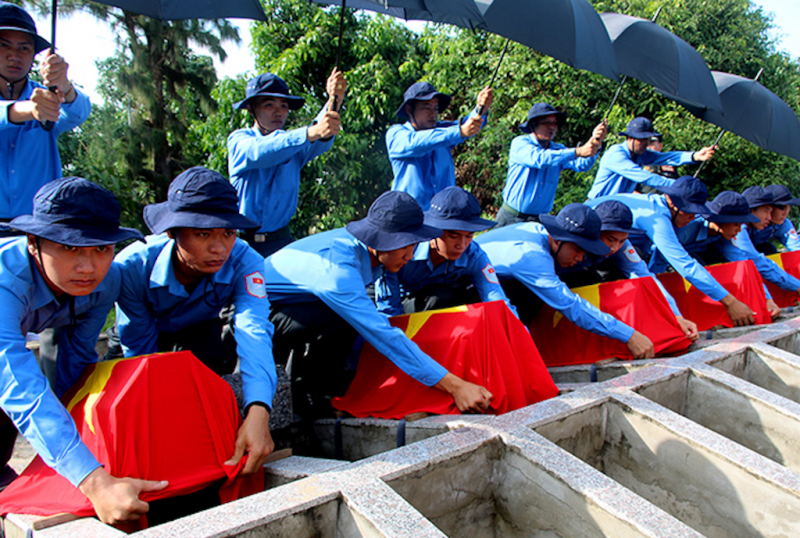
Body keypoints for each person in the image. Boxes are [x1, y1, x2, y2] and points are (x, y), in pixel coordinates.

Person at [0, 177, 168, 524]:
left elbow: (77, 356)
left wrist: (83, 439)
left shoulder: (107, 282)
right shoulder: (5, 281)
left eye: (102, 248)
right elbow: (19, 386)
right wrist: (93, 482)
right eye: (71, 248)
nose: (88, 267)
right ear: (33, 243)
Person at [263, 191, 493, 417]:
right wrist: (456, 386)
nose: (410, 256)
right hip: (261, 313)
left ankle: (317, 392)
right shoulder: (341, 269)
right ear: (380, 240)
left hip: (298, 306)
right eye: (405, 246)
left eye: (413, 246)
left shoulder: (371, 256)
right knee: (350, 318)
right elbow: (381, 333)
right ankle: (307, 390)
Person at [113, 167, 278, 473]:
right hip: (142, 336)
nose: (219, 249)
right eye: (203, 234)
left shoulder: (246, 261)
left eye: (228, 233)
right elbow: (140, 349)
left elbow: (254, 329)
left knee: (207, 372)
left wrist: (259, 409)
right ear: (172, 232)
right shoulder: (133, 267)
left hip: (197, 328)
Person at [475, 203, 656, 358]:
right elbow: (570, 305)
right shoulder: (533, 256)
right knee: (530, 297)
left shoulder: (546, 239)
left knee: (585, 278)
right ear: (556, 239)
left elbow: (644, 274)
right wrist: (628, 335)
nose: (580, 258)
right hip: (468, 287)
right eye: (577, 250)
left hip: (498, 282)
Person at [587, 176, 757, 326]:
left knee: (639, 266)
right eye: (689, 212)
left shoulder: (665, 211)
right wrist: (729, 301)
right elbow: (685, 265)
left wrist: (675, 315)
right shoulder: (657, 218)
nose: (692, 218)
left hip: (627, 246)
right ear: (672, 203)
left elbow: (649, 272)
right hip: (591, 240)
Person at [228, 70, 346, 256]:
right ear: (251, 109)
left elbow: (320, 134)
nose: (278, 112)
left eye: (284, 106)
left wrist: (335, 100)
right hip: (240, 246)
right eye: (269, 105)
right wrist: (311, 132)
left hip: (281, 244)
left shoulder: (297, 144)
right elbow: (261, 151)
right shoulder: (239, 140)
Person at [0, 2, 91, 223]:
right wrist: (29, 109)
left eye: (24, 48)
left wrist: (65, 87)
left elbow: (79, 113)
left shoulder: (48, 94)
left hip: (40, 229)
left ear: (34, 56)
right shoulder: (39, 102)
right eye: (3, 45)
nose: (15, 55)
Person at [557, 200, 699, 341]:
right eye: (610, 239)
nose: (615, 248)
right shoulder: (571, 243)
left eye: (621, 241)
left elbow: (645, 277)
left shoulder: (622, 248)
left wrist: (676, 316)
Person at [648, 190, 792, 320]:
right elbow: (662, 259)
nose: (739, 230)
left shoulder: (725, 237)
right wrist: (655, 294)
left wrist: (766, 299)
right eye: (736, 225)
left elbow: (744, 265)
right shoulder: (686, 228)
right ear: (721, 221)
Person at [374, 186, 516, 317]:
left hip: (445, 303)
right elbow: (389, 309)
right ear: (434, 231)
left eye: (469, 236)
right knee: (438, 297)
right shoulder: (403, 250)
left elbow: (497, 300)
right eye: (453, 236)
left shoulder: (473, 255)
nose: (461, 245)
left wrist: (520, 335)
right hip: (403, 304)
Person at [386, 81, 493, 210]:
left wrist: (481, 108)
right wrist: (459, 131)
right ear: (409, 109)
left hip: (443, 216)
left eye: (436, 108)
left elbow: (469, 125)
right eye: (426, 108)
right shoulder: (396, 134)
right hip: (409, 218)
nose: (433, 114)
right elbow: (417, 142)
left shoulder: (445, 131)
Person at [496, 103, 607, 226]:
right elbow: (540, 159)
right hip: (511, 217)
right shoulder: (520, 143)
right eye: (546, 123)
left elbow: (582, 165)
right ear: (533, 124)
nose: (552, 127)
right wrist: (578, 151)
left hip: (539, 221)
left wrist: (596, 142)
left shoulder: (558, 149)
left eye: (554, 123)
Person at [586, 117, 715, 200]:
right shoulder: (616, 154)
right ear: (630, 138)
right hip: (597, 205)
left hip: (615, 207)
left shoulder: (640, 153)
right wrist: (679, 185)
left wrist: (695, 156)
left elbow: (666, 157)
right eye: (642, 140)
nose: (646, 144)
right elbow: (645, 177)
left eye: (648, 140)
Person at [751, 184, 800, 254]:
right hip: (737, 253)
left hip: (757, 251)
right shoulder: (743, 224)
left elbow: (796, 248)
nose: (786, 213)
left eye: (789, 206)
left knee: (769, 248)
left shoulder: (783, 224)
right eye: (782, 207)